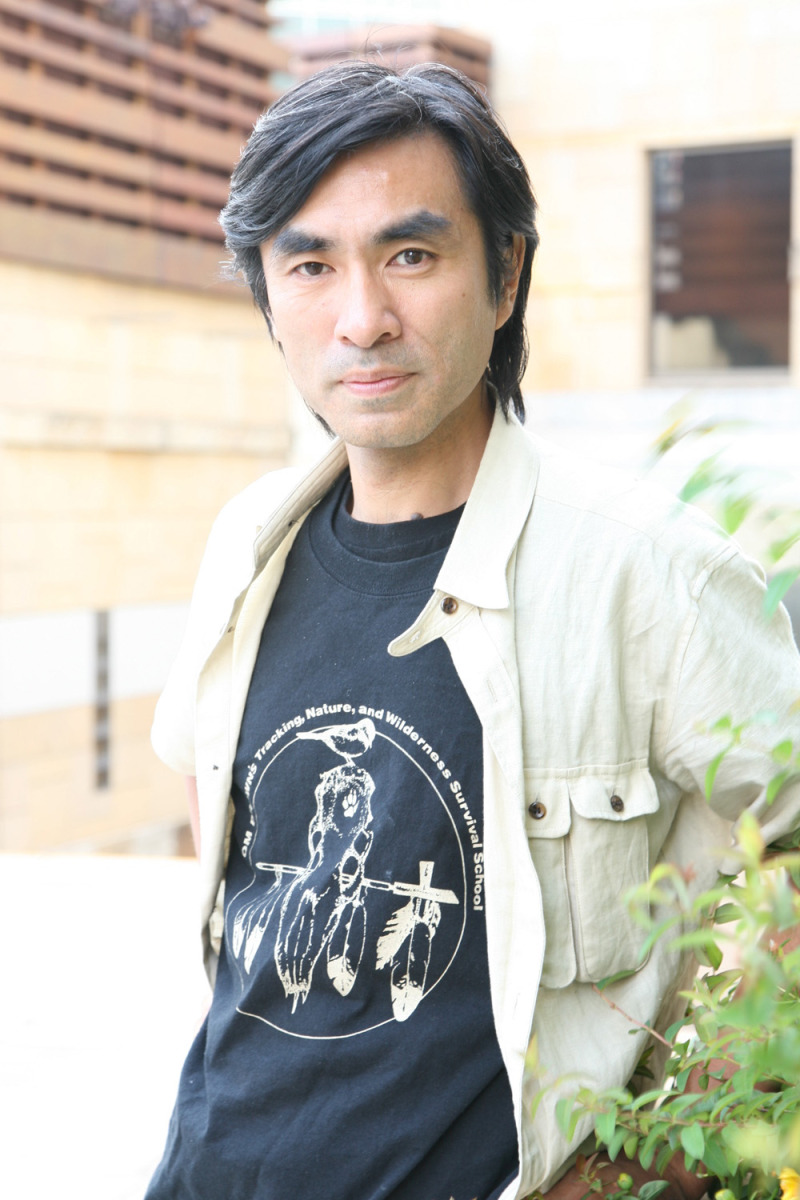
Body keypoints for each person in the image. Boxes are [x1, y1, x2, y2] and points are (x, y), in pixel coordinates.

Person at [146, 62, 800, 1200]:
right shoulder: (246, 544)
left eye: (410, 255)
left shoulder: (650, 574)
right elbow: (228, 841)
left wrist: (658, 1162)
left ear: (504, 277)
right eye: (310, 265)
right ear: (267, 297)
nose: (362, 319)